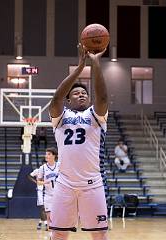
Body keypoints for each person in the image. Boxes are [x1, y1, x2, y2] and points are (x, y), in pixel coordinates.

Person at [48, 44, 109, 240]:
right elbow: (56, 98)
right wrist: (80, 68)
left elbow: (103, 96)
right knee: (58, 234)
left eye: (84, 92)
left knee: (99, 235)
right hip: (64, 184)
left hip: (92, 185)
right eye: (76, 93)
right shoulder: (60, 117)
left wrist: (96, 62)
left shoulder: (96, 115)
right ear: (68, 99)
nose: (81, 94)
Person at [29, 147, 59, 231]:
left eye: (49, 154)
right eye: (46, 154)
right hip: (48, 195)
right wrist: (44, 183)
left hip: (59, 195)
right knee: (49, 221)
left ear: (54, 156)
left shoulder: (59, 165)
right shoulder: (42, 168)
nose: (46, 156)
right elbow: (38, 181)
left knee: (59, 219)